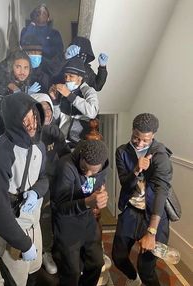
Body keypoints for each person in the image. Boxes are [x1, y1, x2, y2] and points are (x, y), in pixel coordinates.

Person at [0, 92, 48, 286]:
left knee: (32, 273)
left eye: (34, 116)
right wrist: (23, 244)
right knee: (11, 279)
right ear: (13, 120)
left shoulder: (40, 146)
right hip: (10, 228)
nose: (31, 123)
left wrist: (36, 192)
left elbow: (44, 177)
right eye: (24, 118)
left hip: (33, 223)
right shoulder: (0, 152)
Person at [112, 113, 173, 286]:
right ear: (132, 131)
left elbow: (161, 193)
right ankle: (133, 279)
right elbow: (125, 183)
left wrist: (151, 232)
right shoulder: (122, 152)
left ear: (153, 136)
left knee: (146, 269)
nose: (139, 143)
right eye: (135, 137)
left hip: (154, 214)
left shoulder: (161, 157)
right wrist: (136, 171)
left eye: (145, 140)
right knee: (118, 257)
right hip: (131, 210)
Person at [51, 140, 109, 286]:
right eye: (84, 168)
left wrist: (100, 195)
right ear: (81, 156)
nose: (88, 174)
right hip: (66, 224)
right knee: (72, 273)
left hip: (87, 219)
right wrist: (87, 202)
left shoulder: (103, 166)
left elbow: (98, 184)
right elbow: (60, 207)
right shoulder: (66, 167)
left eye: (94, 171)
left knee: (96, 263)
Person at [31, 93, 71, 275]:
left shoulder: (55, 130)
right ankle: (46, 251)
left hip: (57, 181)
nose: (46, 112)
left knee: (62, 213)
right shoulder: (30, 132)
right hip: (40, 185)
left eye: (48, 108)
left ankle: (62, 250)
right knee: (44, 217)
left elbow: (66, 155)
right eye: (41, 108)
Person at [49, 57, 99, 148]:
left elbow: (93, 112)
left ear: (80, 78)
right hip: (62, 141)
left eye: (71, 76)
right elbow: (56, 118)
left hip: (80, 142)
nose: (67, 79)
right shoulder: (62, 90)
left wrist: (70, 96)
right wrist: (54, 100)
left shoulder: (89, 91)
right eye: (66, 76)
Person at [20, 3, 64, 73]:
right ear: (33, 16)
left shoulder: (54, 33)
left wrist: (40, 49)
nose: (41, 14)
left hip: (48, 69)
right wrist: (32, 25)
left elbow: (58, 50)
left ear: (48, 18)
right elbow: (23, 43)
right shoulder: (26, 30)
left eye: (44, 12)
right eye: (38, 12)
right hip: (29, 68)